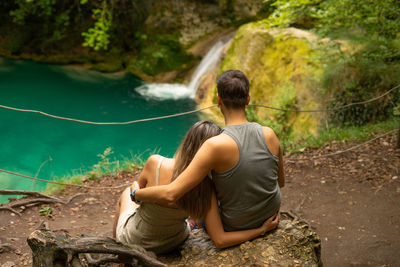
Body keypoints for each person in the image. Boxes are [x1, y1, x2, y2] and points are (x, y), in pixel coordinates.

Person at [132, 70, 285, 233]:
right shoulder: (270, 134)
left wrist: (136, 194)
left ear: (218, 99)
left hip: (235, 226)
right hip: (270, 215)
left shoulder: (215, 146)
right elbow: (280, 183)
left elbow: (171, 193)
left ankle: (194, 225)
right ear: (248, 99)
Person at [114, 121, 279, 254]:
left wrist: (135, 191)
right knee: (193, 218)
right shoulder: (207, 188)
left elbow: (134, 193)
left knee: (124, 195)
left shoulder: (156, 163)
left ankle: (118, 253)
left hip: (135, 240)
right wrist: (262, 229)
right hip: (172, 242)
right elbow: (220, 240)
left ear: (187, 141)